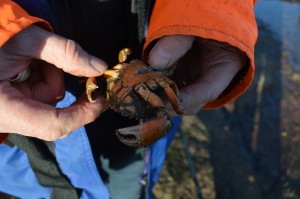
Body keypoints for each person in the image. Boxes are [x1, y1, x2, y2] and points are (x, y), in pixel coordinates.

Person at [0, 0, 258, 198]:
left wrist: (213, 13)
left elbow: (171, 106)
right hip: (24, 116)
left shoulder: (149, 83)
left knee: (131, 179)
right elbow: (93, 77)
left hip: (139, 94)